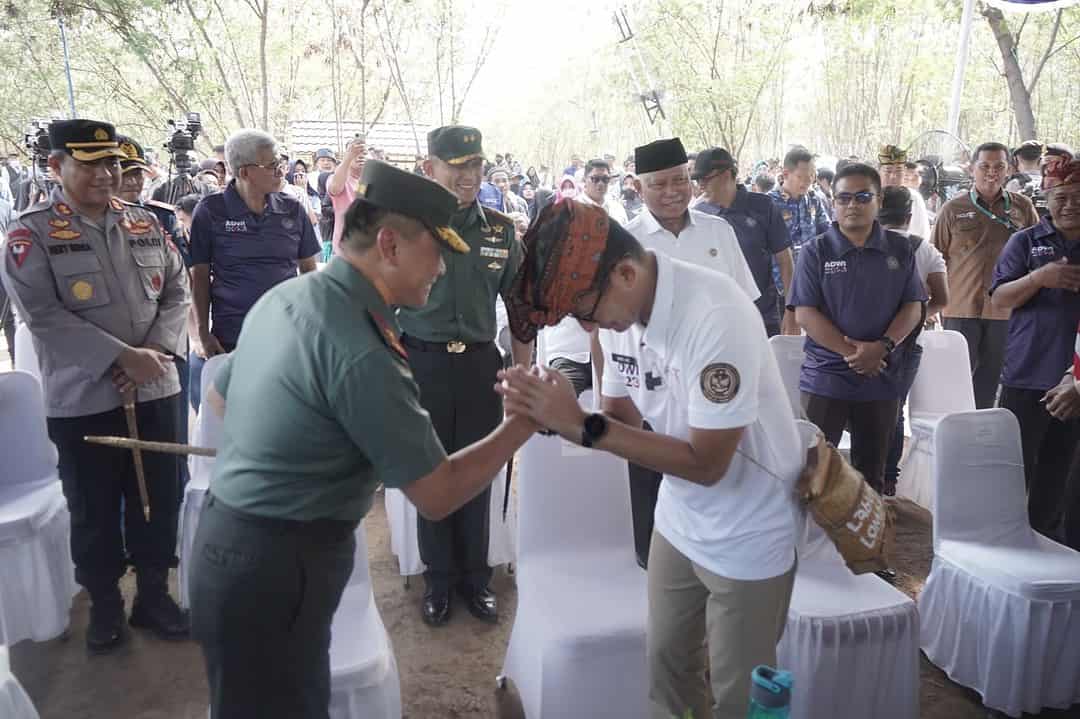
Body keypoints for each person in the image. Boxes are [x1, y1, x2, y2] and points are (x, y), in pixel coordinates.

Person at [190, 160, 538, 718]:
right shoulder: (359, 344)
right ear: (390, 244)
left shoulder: (293, 297)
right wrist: (521, 423)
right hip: (279, 568)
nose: (444, 270)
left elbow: (221, 398)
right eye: (438, 250)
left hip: (233, 547)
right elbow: (437, 493)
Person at [499, 199, 800, 719]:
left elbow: (708, 464)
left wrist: (581, 424)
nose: (586, 325)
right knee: (667, 672)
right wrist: (553, 413)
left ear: (625, 272)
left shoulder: (715, 315)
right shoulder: (622, 321)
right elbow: (620, 418)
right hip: (680, 519)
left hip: (750, 531)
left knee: (740, 696)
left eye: (585, 309)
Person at [1, 119, 190, 652]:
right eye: (88, 163)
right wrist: (120, 357)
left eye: (110, 162)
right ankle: (105, 604)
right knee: (93, 504)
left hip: (156, 387)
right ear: (56, 166)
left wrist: (151, 353)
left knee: (159, 495)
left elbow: (176, 291)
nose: (105, 174)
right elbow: (40, 315)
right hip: (84, 399)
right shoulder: (29, 234)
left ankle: (153, 595)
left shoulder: (144, 223)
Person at [406, 125, 533, 626]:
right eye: (457, 167)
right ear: (429, 167)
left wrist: (522, 373)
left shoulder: (501, 231)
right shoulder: (406, 228)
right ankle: (438, 580)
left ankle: (475, 579)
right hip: (421, 364)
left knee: (479, 472)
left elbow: (519, 309)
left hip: (482, 365)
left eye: (475, 166)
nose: (468, 176)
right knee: (431, 473)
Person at [624, 137, 759, 568]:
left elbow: (745, 304)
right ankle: (656, 570)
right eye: (660, 184)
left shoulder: (719, 231)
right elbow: (613, 328)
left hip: (718, 383)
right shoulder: (624, 242)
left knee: (720, 478)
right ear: (637, 186)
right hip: (653, 385)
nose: (672, 192)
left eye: (680, 181)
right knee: (653, 484)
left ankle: (715, 564)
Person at [789, 163, 926, 505]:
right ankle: (810, 551)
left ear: (879, 201)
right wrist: (855, 354)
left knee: (871, 473)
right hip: (827, 377)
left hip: (881, 375)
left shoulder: (901, 249)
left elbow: (914, 306)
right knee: (814, 470)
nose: (853, 205)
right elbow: (805, 313)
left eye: (863, 196)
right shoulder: (815, 250)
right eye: (844, 197)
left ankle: (866, 553)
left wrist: (882, 347)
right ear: (833, 203)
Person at [188, 129, 321, 412]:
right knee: (237, 414)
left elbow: (309, 272)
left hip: (287, 336)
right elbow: (199, 276)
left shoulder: (292, 209)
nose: (281, 171)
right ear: (245, 172)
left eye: (281, 163)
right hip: (232, 336)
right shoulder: (211, 211)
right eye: (273, 166)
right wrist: (202, 332)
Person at [990, 159, 1080, 543]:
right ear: (1047, 197)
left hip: (1074, 383)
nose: (1070, 205)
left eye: (1078, 197)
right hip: (1026, 374)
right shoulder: (1025, 242)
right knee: (1012, 472)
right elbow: (999, 299)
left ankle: (1049, 547)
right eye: (1061, 197)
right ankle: (1004, 546)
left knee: (1060, 478)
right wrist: (1040, 277)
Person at [933, 142, 1040, 409]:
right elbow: (935, 258)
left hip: (1004, 311)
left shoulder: (1022, 207)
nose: (991, 173)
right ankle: (952, 432)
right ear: (972, 169)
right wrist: (932, 304)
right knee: (955, 378)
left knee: (990, 381)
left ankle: (978, 436)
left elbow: (1038, 252)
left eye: (999, 166)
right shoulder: (952, 208)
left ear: (1009, 170)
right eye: (985, 166)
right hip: (959, 308)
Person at [878, 186, 949, 495]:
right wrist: (915, 319)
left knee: (865, 405)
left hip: (865, 339)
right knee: (894, 408)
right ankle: (889, 479)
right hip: (909, 344)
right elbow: (942, 299)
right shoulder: (925, 250)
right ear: (909, 216)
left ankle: (863, 473)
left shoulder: (866, 245)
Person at [693, 146, 797, 336]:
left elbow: (785, 261)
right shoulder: (697, 214)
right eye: (697, 180)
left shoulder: (763, 206)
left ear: (725, 175)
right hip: (715, 321)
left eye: (704, 179)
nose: (700, 185)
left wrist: (791, 311)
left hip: (763, 316)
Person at [878, 145, 931, 241]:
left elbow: (923, 236)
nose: (893, 176)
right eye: (888, 171)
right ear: (879, 172)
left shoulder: (914, 198)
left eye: (898, 171)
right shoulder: (868, 197)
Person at [579, 158, 628, 224]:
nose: (600, 183)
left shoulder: (617, 209)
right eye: (595, 179)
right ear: (584, 179)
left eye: (605, 179)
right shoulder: (573, 210)